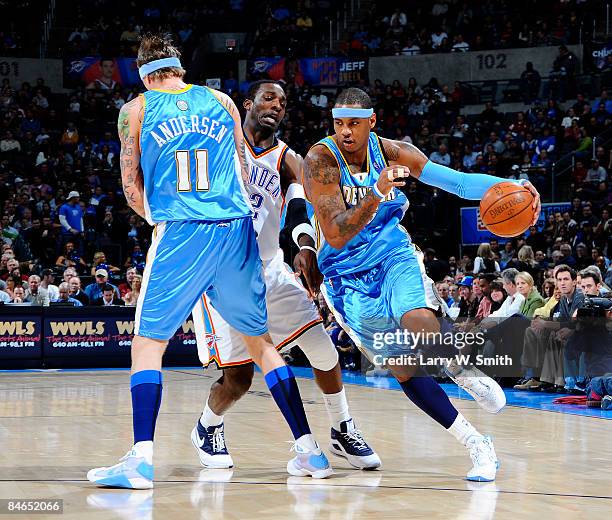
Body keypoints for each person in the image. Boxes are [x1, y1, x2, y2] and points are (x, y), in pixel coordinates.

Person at [88, 34, 330, 490]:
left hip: (182, 229)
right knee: (261, 344)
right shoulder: (220, 100)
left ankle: (141, 460)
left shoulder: (135, 110)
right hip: (236, 227)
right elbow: (242, 170)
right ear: (179, 66)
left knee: (147, 345)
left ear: (142, 70)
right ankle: (309, 450)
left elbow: (129, 185)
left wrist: (160, 218)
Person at [303, 87, 541, 481]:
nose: (346, 132)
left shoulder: (395, 152)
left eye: (354, 124)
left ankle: (464, 372)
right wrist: (378, 192)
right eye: (339, 123)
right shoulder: (320, 160)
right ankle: (476, 443)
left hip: (391, 254)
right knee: (404, 369)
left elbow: (460, 184)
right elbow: (337, 232)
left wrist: (513, 183)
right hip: (344, 276)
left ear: (372, 123)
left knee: (417, 319)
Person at [190, 80, 379, 470]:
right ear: (248, 104)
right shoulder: (218, 146)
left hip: (271, 268)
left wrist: (305, 246)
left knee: (323, 348)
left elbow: (297, 207)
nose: (276, 105)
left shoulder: (288, 159)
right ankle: (207, 426)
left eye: (282, 101)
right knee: (239, 381)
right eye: (268, 98)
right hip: (221, 275)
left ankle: (342, 428)